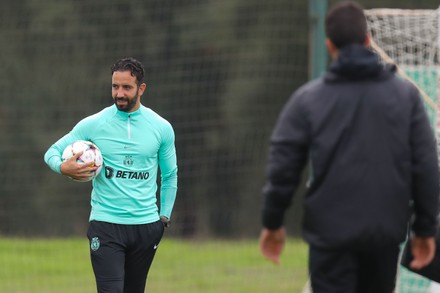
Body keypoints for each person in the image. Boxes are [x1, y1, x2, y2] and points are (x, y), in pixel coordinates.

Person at [259, 1, 439, 292]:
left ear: (330, 46)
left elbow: (283, 167)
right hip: (384, 235)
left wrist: (273, 222)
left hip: (330, 237)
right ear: (368, 40)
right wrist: (424, 229)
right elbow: (426, 166)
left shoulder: (308, 100)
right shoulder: (406, 98)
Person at [44, 57, 178, 293]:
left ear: (141, 89)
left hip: (145, 227)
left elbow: (170, 176)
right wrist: (62, 167)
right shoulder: (95, 124)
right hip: (106, 225)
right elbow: (52, 152)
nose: (119, 93)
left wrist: (163, 218)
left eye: (126, 87)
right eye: (115, 86)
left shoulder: (161, 128)